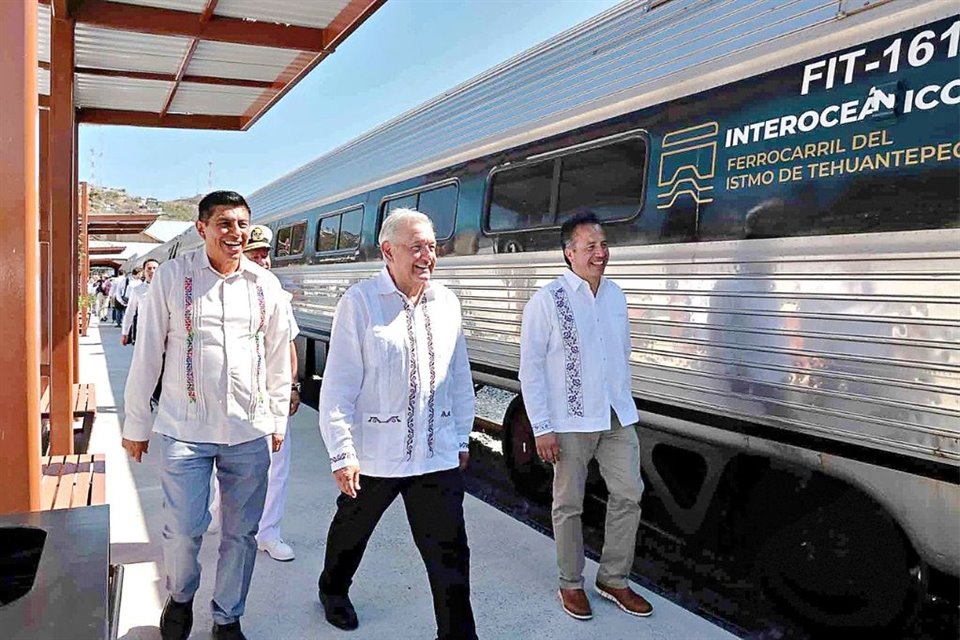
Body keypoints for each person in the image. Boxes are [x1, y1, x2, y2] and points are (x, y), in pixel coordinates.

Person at [121, 190, 292, 640]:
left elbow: (277, 357)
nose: (234, 234)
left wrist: (277, 418)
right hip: (184, 431)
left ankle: (226, 617)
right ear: (202, 229)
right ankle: (180, 598)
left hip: (248, 431)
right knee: (183, 531)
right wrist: (136, 424)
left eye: (241, 224)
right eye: (224, 224)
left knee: (241, 534)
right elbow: (148, 354)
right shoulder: (173, 278)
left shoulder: (264, 286)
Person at [317, 208, 477, 639]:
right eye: (416, 247)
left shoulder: (446, 301)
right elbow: (339, 385)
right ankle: (333, 590)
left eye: (431, 246)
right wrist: (342, 452)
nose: (427, 255)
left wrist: (462, 435)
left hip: (435, 453)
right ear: (388, 251)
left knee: (450, 555)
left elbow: (458, 375)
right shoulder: (361, 303)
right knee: (352, 531)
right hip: (375, 454)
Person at [519, 211, 653, 621]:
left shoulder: (615, 294)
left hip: (615, 414)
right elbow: (531, 366)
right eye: (590, 246)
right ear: (569, 253)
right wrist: (542, 426)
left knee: (630, 493)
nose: (600, 253)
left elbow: (622, 354)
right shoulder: (548, 300)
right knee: (569, 503)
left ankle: (613, 578)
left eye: (604, 244)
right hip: (571, 419)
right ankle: (571, 582)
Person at [209, 225, 302, 561]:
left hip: (269, 394)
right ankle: (221, 512)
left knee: (276, 464)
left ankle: (268, 532)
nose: (263, 259)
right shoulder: (220, 293)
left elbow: (289, 344)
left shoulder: (277, 293)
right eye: (256, 253)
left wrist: (291, 387)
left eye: (266, 253)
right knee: (228, 461)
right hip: (233, 395)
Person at [121, 259, 159, 346]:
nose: (152, 271)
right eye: (149, 268)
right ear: (144, 272)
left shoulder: (167, 289)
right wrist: (125, 332)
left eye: (154, 268)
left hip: (163, 331)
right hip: (145, 331)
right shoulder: (137, 290)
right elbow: (130, 311)